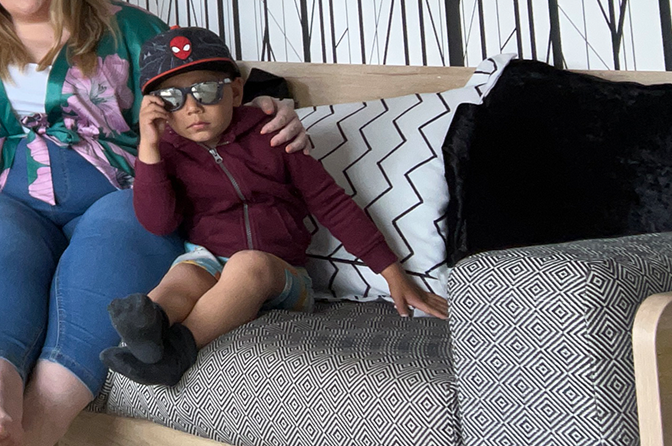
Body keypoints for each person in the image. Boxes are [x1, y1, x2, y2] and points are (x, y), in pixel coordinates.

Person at [0, 0, 308, 446]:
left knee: (131, 227)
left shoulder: (123, 24)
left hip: (120, 188)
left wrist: (271, 102)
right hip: (0, 193)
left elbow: (203, 77)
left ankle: (41, 425)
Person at [99, 26, 449, 385]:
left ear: (234, 92)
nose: (192, 108)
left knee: (248, 264)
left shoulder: (272, 135)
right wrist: (149, 149)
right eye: (172, 98)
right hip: (206, 258)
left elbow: (332, 204)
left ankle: (177, 352)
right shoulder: (167, 152)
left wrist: (393, 275)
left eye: (205, 90)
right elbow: (158, 223)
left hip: (281, 273)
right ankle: (149, 327)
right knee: (183, 274)